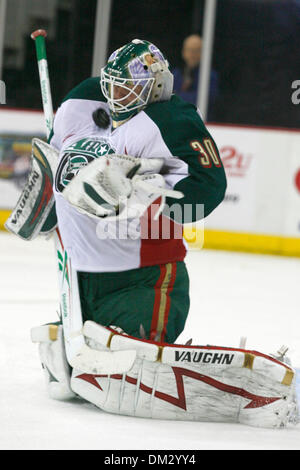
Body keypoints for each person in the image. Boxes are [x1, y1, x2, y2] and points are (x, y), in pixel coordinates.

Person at [48, 38, 226, 344]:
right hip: (78, 278)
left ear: (156, 87)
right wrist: (46, 207)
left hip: (140, 279)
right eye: (113, 85)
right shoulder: (82, 103)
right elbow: (53, 161)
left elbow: (208, 190)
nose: (117, 95)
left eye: (127, 87)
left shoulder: (170, 120)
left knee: (133, 353)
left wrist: (148, 198)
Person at [172, 34, 219, 120]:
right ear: (183, 52)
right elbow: (168, 99)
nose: (192, 54)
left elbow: (204, 99)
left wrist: (177, 97)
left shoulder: (209, 76)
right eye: (190, 50)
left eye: (197, 51)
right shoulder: (176, 74)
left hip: (201, 121)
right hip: (177, 120)